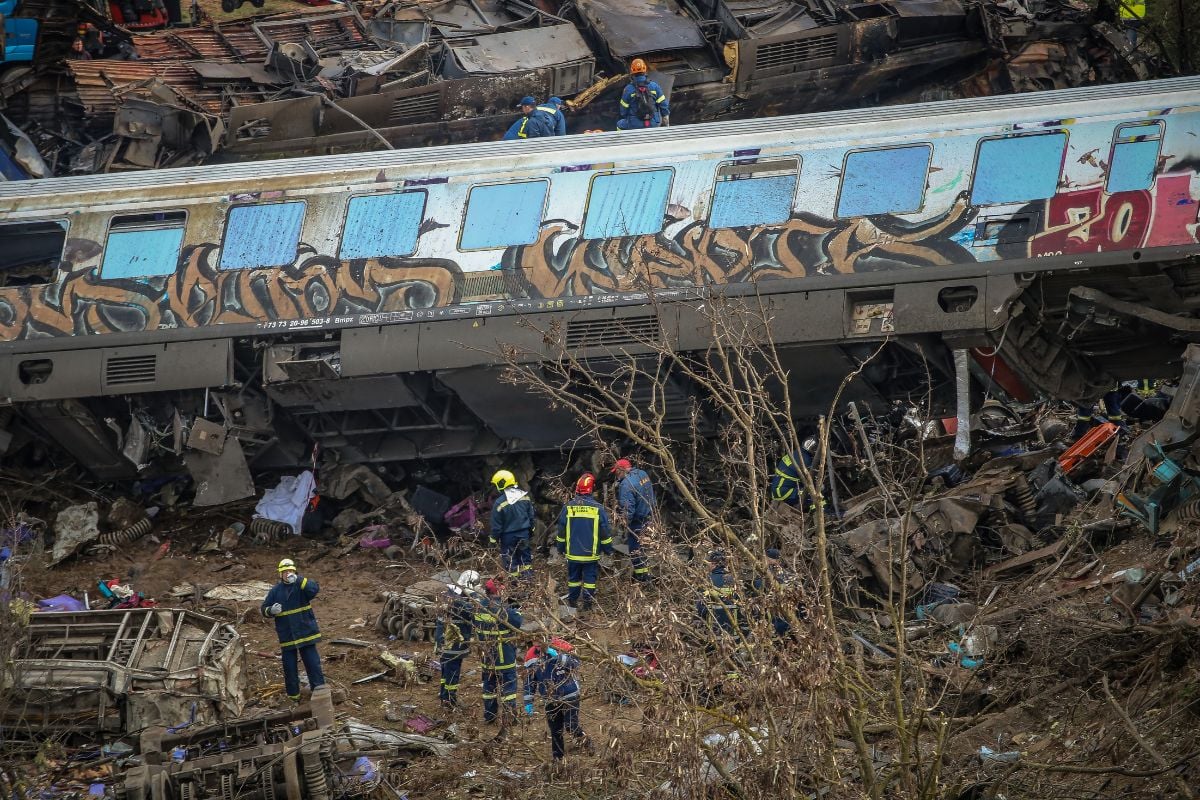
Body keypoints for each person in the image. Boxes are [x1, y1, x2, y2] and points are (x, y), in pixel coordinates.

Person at [261, 558, 325, 702]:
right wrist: (270, 610)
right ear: (280, 574)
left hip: (305, 634)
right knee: (289, 668)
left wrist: (299, 580)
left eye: (290, 571)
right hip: (287, 636)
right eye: (284, 571)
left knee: (313, 664)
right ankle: (293, 697)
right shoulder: (275, 591)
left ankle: (320, 693)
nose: (287, 573)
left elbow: (314, 589)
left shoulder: (301, 586)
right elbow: (263, 609)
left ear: (294, 571)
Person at [525, 638, 592, 761]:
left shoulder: (562, 646)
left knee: (570, 725)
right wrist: (528, 700)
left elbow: (575, 664)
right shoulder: (531, 655)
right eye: (534, 640)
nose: (537, 644)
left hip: (569, 693)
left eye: (539, 640)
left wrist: (559, 657)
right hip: (550, 699)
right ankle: (558, 759)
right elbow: (530, 680)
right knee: (555, 730)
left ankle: (586, 741)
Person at [555, 473, 613, 611]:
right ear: (592, 488)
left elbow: (561, 532)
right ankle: (587, 604)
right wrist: (608, 550)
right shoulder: (598, 508)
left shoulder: (568, 507)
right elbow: (604, 532)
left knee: (573, 579)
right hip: (590, 554)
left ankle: (573, 603)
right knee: (589, 580)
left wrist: (560, 548)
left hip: (573, 554)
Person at [474, 578, 524, 725]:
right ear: (499, 591)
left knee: (489, 688)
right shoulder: (502, 610)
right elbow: (517, 621)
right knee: (508, 689)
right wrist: (516, 609)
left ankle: (489, 716)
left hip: (486, 656)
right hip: (504, 656)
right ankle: (510, 717)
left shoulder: (478, 607)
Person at [434, 570, 480, 709]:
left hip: (443, 639)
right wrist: (474, 595)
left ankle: (444, 695)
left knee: (445, 669)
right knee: (453, 671)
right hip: (453, 643)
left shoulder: (449, 594)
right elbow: (473, 612)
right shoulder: (459, 600)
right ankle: (450, 700)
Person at [612, 458, 656, 581]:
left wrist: (623, 524)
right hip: (649, 515)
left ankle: (642, 577)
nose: (616, 475)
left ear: (621, 470)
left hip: (638, 521)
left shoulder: (626, 484)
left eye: (616, 472)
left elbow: (627, 509)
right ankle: (646, 573)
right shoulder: (642, 473)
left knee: (634, 550)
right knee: (645, 547)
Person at [489, 469, 535, 580]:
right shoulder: (525, 496)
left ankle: (515, 585)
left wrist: (492, 540)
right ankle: (528, 581)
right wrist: (531, 530)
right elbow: (531, 516)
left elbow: (496, 526)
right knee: (525, 559)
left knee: (510, 562)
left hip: (508, 537)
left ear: (501, 483)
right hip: (524, 534)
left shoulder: (499, 503)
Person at [696, 550, 742, 636]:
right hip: (732, 628)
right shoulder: (732, 579)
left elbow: (700, 606)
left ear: (713, 564)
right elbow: (740, 603)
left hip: (714, 628)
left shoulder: (707, 580)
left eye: (709, 563)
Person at [617, 59, 669, 130]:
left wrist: (630, 118)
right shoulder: (654, 86)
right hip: (654, 123)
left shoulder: (628, 89)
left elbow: (623, 111)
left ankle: (625, 141)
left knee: (619, 124)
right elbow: (663, 105)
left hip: (634, 124)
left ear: (632, 71)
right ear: (645, 70)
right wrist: (665, 122)